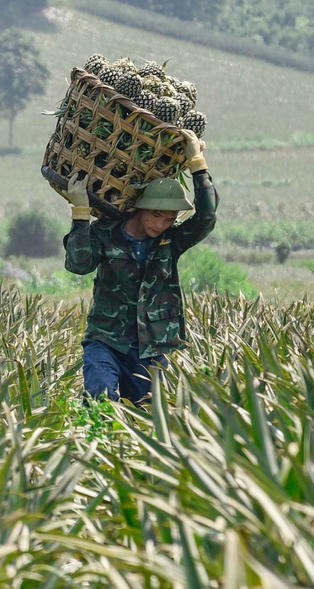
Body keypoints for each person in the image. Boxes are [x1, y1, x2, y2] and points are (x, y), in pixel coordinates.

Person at [62, 131, 217, 404]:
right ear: (140, 209)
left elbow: (206, 216)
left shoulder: (171, 240)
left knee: (150, 413)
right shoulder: (106, 233)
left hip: (151, 347)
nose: (160, 225)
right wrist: (81, 214)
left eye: (169, 219)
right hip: (106, 340)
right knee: (100, 400)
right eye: (155, 215)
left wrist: (197, 162)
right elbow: (78, 264)